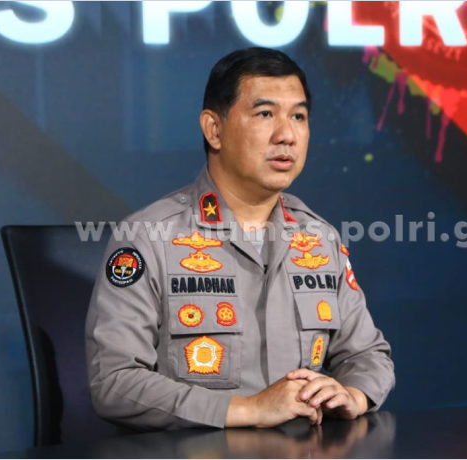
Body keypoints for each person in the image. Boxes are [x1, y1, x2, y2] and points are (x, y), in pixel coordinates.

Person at [85, 47, 394, 430]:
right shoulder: (148, 238)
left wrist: (352, 394)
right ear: (214, 130)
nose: (287, 135)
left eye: (298, 116)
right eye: (265, 114)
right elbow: (114, 383)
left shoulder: (318, 239)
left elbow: (368, 354)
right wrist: (249, 410)